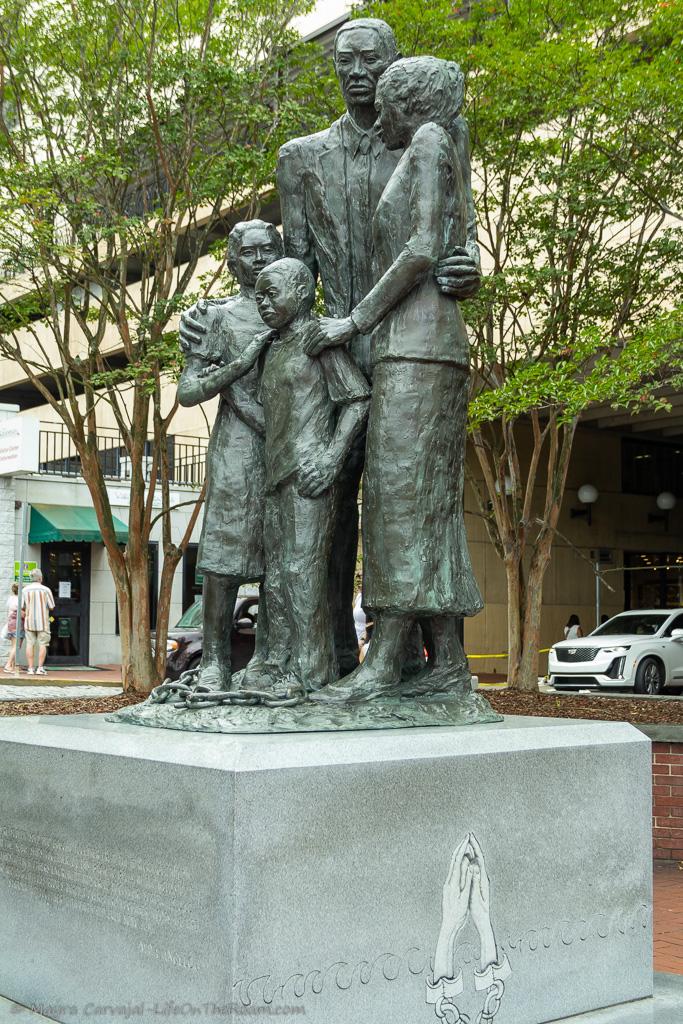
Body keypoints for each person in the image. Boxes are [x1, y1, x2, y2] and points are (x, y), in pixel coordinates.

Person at [277, 17, 481, 677]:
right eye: (345, 59)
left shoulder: (432, 135)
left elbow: (456, 235)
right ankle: (323, 660)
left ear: (395, 65)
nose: (357, 71)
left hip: (406, 344)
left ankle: (417, 664)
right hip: (336, 352)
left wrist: (468, 266)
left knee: (408, 501)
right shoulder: (301, 155)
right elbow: (293, 270)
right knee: (324, 513)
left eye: (371, 59)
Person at [253, 257, 370, 691]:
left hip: (309, 476)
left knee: (304, 574)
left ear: (301, 294)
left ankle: (312, 673)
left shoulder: (317, 340)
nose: (263, 303)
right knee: (280, 578)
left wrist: (331, 459)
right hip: (276, 476)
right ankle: (284, 664)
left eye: (272, 293)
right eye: (259, 295)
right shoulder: (271, 347)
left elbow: (357, 398)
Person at [176, 220, 283, 691]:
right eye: (249, 252)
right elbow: (187, 390)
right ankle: (215, 662)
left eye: (268, 250)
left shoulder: (293, 311)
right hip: (238, 446)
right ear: (233, 260)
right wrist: (236, 374)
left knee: (282, 559)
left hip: (289, 444)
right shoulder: (216, 317)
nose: (258, 259)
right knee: (223, 560)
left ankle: (270, 662)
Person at [22, 569, 55, 676]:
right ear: (40, 578)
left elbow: (22, 607)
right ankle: (40, 668)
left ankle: (30, 669)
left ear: (31, 578)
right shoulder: (46, 590)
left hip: (29, 621)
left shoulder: (25, 590)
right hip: (43, 622)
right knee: (43, 644)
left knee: (29, 644)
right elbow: (51, 606)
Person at [3, 582, 20, 674]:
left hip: (10, 623)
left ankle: (13, 666)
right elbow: (20, 612)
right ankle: (8, 665)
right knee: (16, 646)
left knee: (13, 645)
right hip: (16, 624)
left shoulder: (10, 598)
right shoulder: (19, 600)